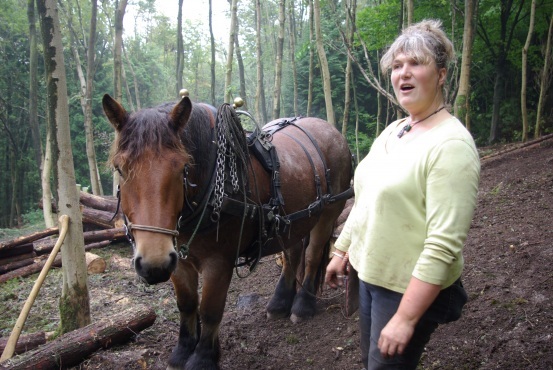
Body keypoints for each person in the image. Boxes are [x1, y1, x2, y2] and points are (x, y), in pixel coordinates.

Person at [325, 19, 480, 370]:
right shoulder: (395, 130)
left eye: (416, 63)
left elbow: (444, 245)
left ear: (441, 74)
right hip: (368, 274)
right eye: (397, 66)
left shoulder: (451, 145)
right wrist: (342, 249)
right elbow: (366, 199)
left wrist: (407, 318)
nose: (403, 73)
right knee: (370, 361)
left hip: (405, 288)